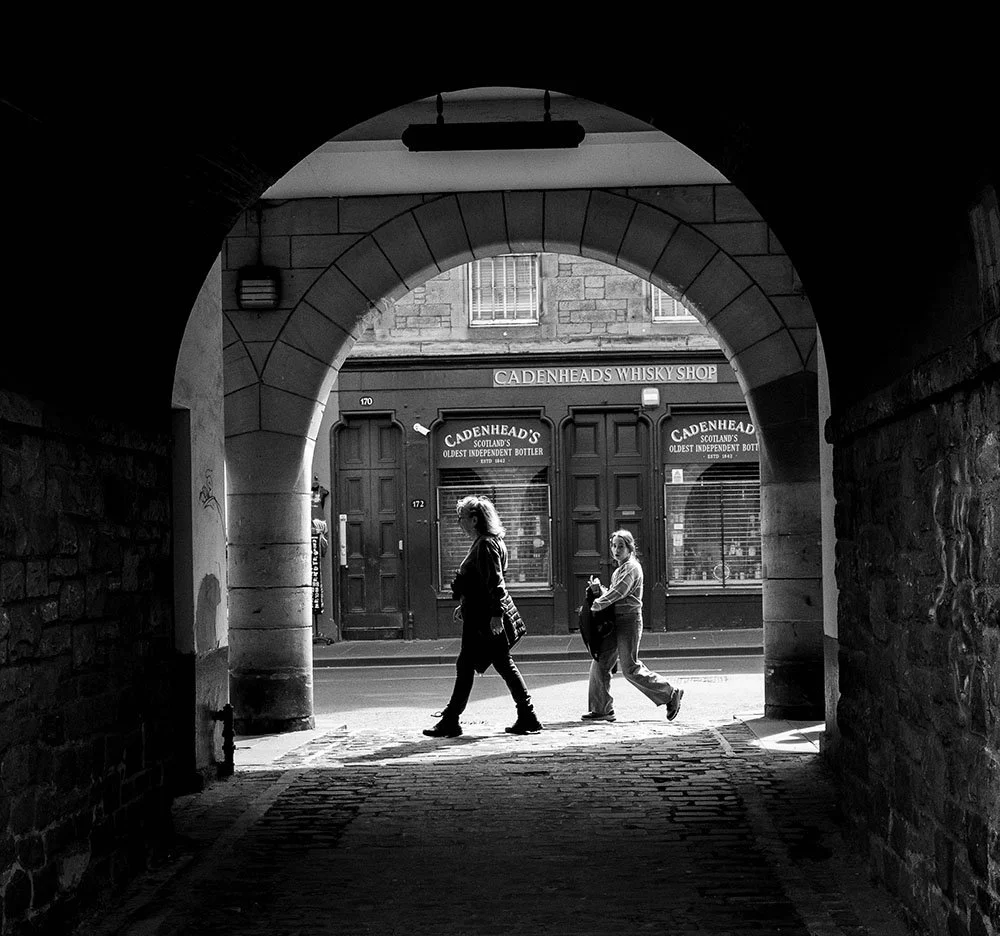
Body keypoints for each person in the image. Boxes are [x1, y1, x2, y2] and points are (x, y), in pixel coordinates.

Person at [423, 495, 543, 738]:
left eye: (462, 518)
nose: (459, 522)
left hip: (484, 619)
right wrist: (465, 604)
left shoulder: (486, 545)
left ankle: (452, 720)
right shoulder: (488, 542)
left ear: (475, 519)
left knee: (474, 665)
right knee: (496, 664)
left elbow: (495, 583)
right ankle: (526, 716)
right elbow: (479, 581)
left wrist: (496, 616)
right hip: (480, 615)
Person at [582, 529, 684, 723]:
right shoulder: (619, 570)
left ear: (630, 548)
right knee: (600, 661)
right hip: (614, 621)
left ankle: (670, 693)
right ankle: (601, 709)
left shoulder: (632, 568)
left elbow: (620, 591)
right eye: (614, 546)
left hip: (628, 621)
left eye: (621, 546)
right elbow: (614, 592)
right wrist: (599, 591)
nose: (616, 550)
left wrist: (598, 603)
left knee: (630, 668)